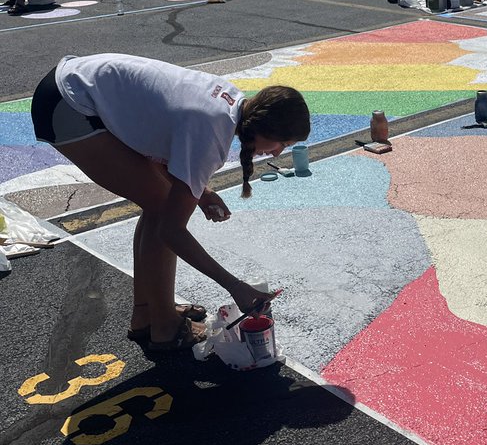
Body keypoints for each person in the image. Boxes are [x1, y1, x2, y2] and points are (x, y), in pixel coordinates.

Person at [30, 53, 311, 354]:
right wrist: (235, 286)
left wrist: (201, 191)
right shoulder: (212, 134)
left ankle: (145, 315)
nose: (278, 153)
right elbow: (171, 231)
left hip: (74, 84)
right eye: (283, 144)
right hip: (68, 102)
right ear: (265, 131)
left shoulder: (232, 105)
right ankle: (163, 326)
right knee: (162, 207)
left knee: (157, 203)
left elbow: (164, 144)